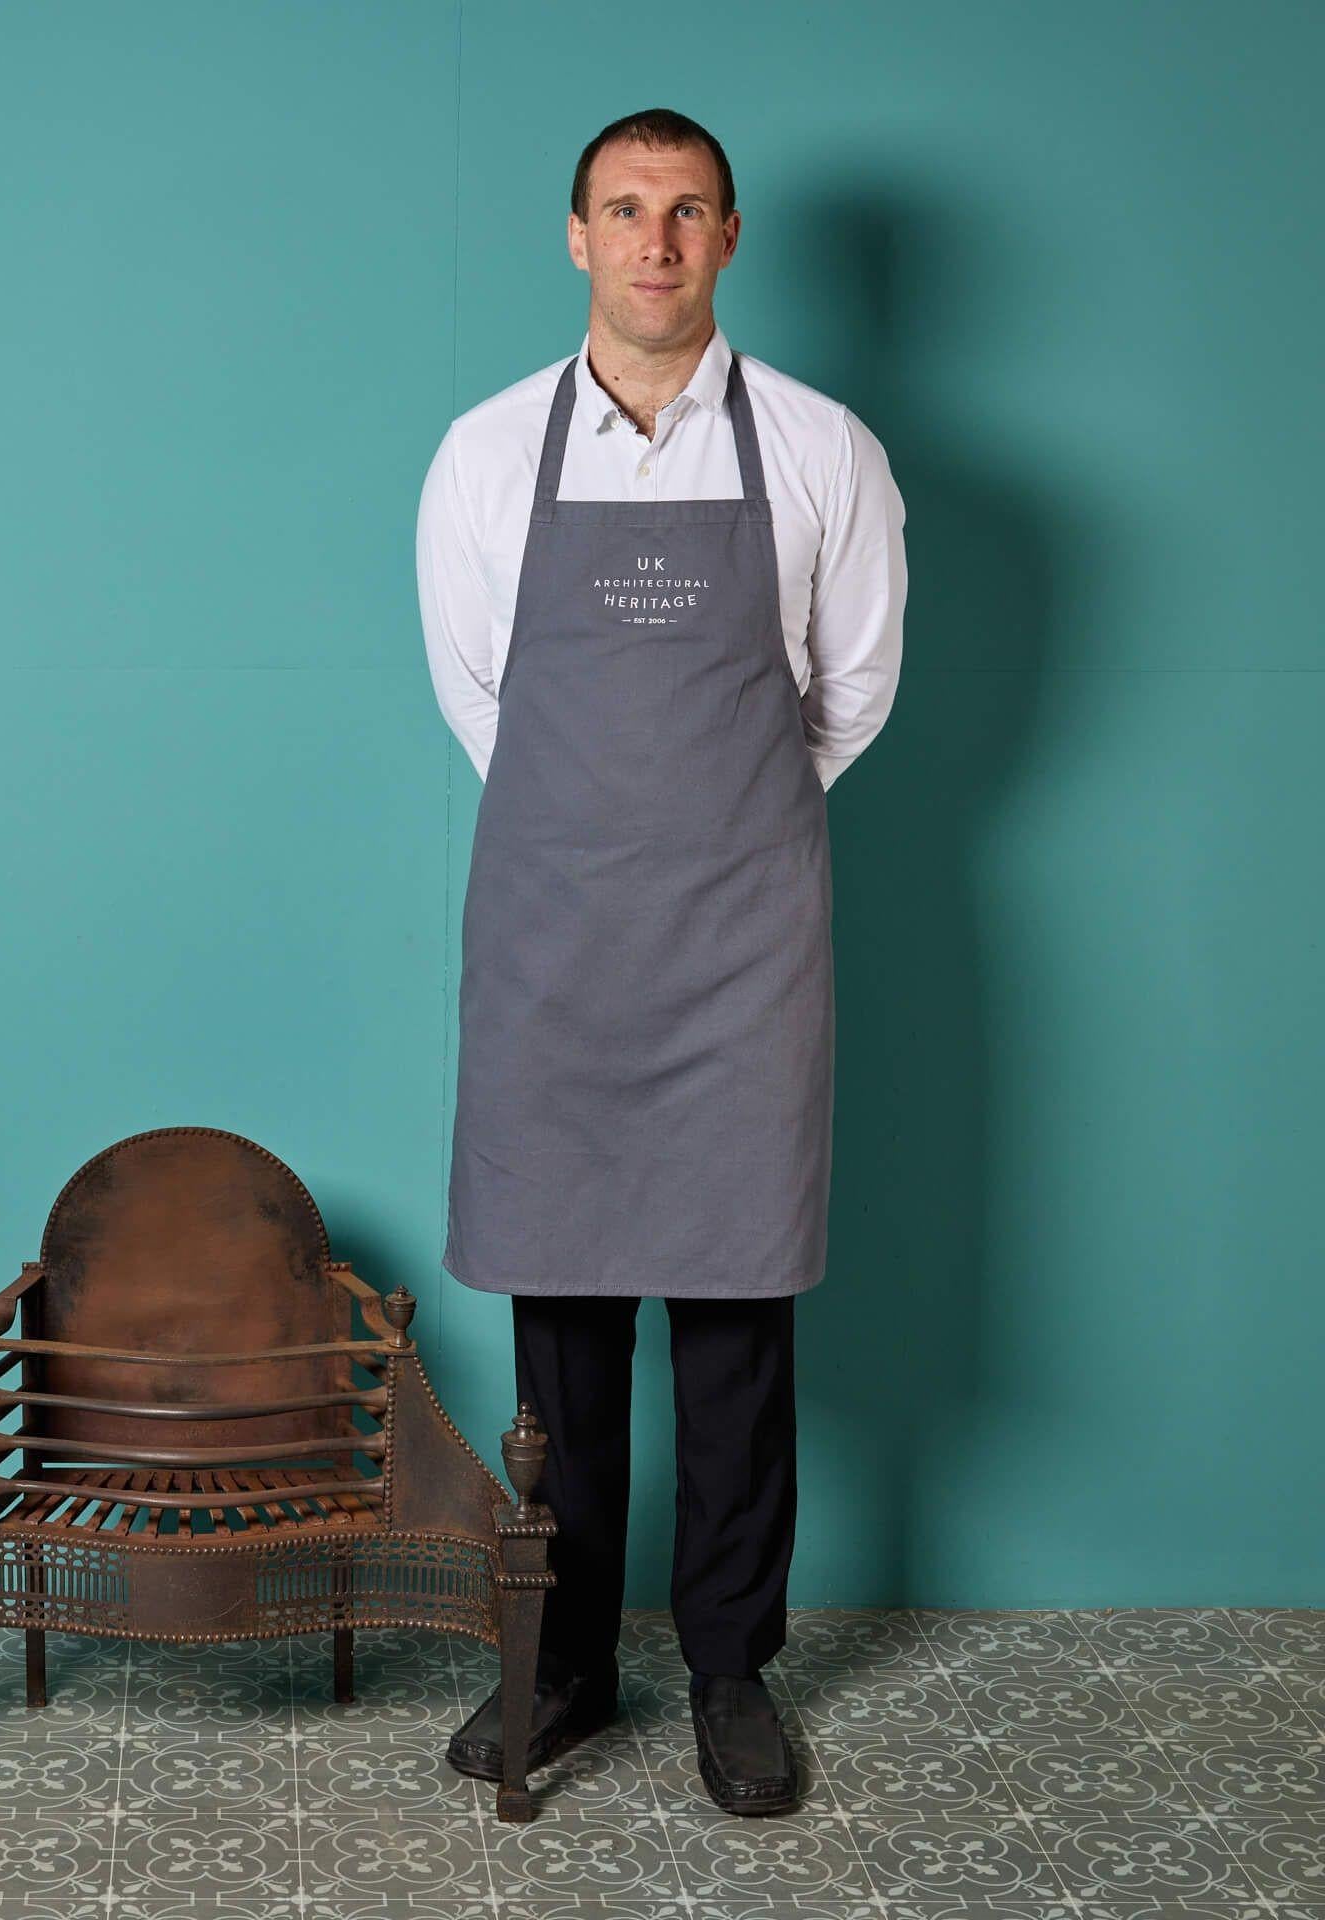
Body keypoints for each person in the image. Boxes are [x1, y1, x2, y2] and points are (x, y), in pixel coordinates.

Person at [415, 108, 907, 1815]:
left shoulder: (826, 449)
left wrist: (717, 839)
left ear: (730, 237)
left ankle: (728, 1670)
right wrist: (601, 836)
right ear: (576, 238)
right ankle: (559, 1669)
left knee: (733, 1322)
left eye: (686, 210)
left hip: (743, 951)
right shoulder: (484, 454)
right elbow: (485, 701)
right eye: (624, 210)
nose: (655, 240)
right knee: (563, 1330)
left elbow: (847, 699)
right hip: (555, 947)